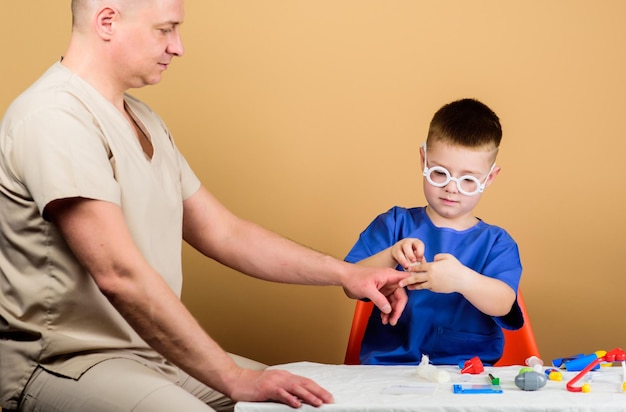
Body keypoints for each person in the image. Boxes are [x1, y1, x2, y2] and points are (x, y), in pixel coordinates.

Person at [0, 1, 412, 411]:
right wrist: (234, 379)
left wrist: (347, 274)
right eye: (165, 29)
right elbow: (118, 274)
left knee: (302, 404)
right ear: (107, 21)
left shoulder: (143, 119)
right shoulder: (54, 117)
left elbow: (225, 233)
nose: (178, 47)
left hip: (154, 353)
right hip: (71, 363)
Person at [344, 98, 524, 366]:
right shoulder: (394, 224)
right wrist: (391, 254)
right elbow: (350, 284)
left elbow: (503, 303)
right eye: (440, 173)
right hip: (388, 368)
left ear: (489, 178)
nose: (452, 188)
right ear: (423, 160)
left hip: (466, 371)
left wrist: (463, 280)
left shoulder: (497, 243)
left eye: (468, 180)